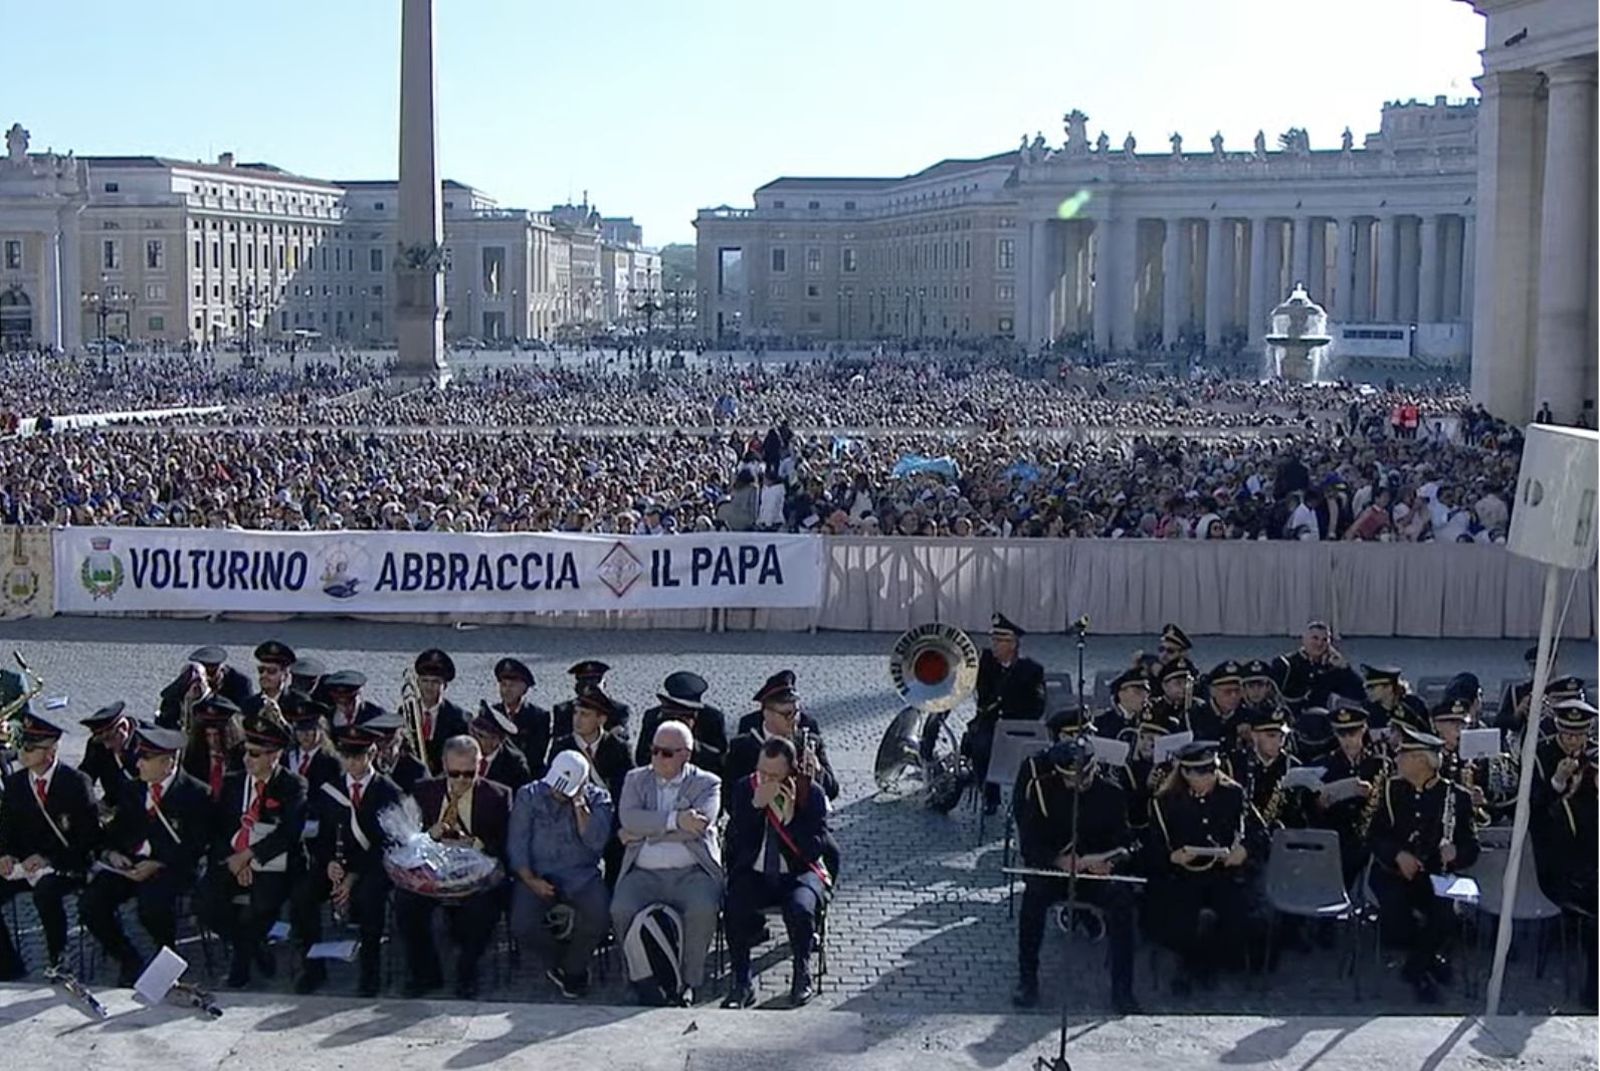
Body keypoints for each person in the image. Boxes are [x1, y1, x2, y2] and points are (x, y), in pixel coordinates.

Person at [1010, 735, 1138, 1013]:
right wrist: (1058, 859)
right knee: (1033, 898)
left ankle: (1123, 990)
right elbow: (1030, 844)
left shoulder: (1112, 793)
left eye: (1085, 775)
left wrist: (1110, 862)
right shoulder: (1043, 791)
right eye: (1071, 779)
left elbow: (1126, 842)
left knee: (1122, 902)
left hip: (1095, 876)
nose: (1078, 784)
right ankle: (1027, 980)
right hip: (1055, 872)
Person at [80, 725, 212, 986]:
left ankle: (167, 958)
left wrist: (159, 863)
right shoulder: (133, 790)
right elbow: (116, 831)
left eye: (145, 759)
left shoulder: (195, 793)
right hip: (133, 865)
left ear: (167, 763)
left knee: (151, 907)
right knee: (91, 903)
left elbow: (198, 844)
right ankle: (128, 958)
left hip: (172, 866)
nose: (138, 764)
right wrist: (113, 854)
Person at [1142, 740, 1268, 995]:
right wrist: (1172, 857)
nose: (1209, 777)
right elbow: (1152, 847)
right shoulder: (1165, 802)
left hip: (1222, 871)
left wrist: (1243, 850)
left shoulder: (1232, 793)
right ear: (1186, 773)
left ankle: (1216, 962)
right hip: (1181, 874)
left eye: (1212, 769)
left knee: (1237, 910)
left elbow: (1260, 832)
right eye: (1201, 772)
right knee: (1180, 913)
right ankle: (1187, 967)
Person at [610, 721, 723, 1006]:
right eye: (654, 751)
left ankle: (689, 982)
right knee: (620, 908)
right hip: (644, 873)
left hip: (692, 873)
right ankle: (635, 979)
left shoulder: (708, 784)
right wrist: (675, 820)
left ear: (686, 754)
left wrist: (648, 833)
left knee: (703, 909)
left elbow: (699, 826)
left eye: (666, 753)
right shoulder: (635, 779)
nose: (658, 758)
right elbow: (629, 819)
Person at [290, 721, 404, 997]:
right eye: (347, 756)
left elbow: (390, 844)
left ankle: (370, 972)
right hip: (336, 864)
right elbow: (319, 835)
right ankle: (313, 969)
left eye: (359, 756)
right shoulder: (331, 790)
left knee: (369, 900)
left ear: (372, 753)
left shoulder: (389, 792)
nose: (352, 763)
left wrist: (353, 877)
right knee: (303, 896)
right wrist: (328, 862)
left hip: (372, 867)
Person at [1366, 723, 1479, 1002]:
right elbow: (1373, 835)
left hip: (1436, 875)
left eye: (1404, 755)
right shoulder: (1391, 790)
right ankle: (1428, 961)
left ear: (1422, 761)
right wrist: (1397, 854)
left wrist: (1457, 853)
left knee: (1447, 912)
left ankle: (1416, 969)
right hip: (1393, 873)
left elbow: (1472, 847)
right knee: (1394, 911)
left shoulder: (1457, 796)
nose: (1397, 760)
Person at [395, 735, 512, 999]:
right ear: (444, 767)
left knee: (482, 910)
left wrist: (476, 844)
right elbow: (406, 838)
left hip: (476, 878)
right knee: (406, 904)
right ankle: (425, 973)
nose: (461, 781)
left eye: (469, 774)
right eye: (454, 774)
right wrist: (427, 837)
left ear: (479, 767)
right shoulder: (424, 791)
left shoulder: (497, 796)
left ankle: (466, 972)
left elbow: (504, 847)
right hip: (431, 874)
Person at [722, 737, 832, 1009]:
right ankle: (742, 982)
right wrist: (754, 809)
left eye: (774, 775)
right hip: (756, 871)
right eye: (763, 772)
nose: (767, 780)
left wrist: (790, 819)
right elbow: (736, 842)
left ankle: (801, 974)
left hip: (798, 874)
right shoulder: (745, 789)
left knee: (801, 909)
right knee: (734, 904)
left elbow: (814, 850)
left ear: (790, 773)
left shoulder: (811, 794)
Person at [199, 715, 306, 988]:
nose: (248, 759)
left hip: (274, 861)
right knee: (206, 903)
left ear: (275, 756)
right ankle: (254, 948)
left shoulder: (291, 786)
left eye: (256, 754)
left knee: (258, 908)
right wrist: (233, 861)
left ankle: (241, 965)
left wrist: (249, 857)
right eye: (247, 751)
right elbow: (220, 828)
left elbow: (288, 833)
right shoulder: (234, 783)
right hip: (234, 858)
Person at [508, 750, 614, 999]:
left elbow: (595, 841)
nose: (558, 793)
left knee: (599, 917)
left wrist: (579, 805)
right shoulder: (529, 795)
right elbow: (517, 842)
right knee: (522, 924)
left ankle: (574, 969)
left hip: (581, 875)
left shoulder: (600, 800)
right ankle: (556, 960)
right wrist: (530, 879)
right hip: (537, 873)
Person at [0, 713, 99, 978]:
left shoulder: (76, 783)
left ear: (51, 751)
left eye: (31, 748)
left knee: (46, 892)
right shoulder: (15, 784)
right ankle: (7, 966)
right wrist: (6, 854)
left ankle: (58, 959)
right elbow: (7, 830)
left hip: (65, 864)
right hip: (26, 864)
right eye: (22, 746)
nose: (23, 752)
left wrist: (48, 860)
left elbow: (88, 839)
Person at [1530, 700, 1598, 1007]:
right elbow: (1533, 811)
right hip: (1555, 862)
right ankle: (1593, 990)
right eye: (1568, 734)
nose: (1574, 741)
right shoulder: (1540, 755)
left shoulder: (1595, 756)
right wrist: (1557, 782)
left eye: (1580, 735)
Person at [965, 613, 1047, 814]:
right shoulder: (984, 664)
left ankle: (1024, 794)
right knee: (980, 746)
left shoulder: (1031, 669)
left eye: (1000, 641)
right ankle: (990, 796)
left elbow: (1038, 706)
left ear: (1013, 644)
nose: (995, 645)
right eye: (994, 640)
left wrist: (1014, 721)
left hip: (1018, 726)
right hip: (991, 723)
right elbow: (983, 696)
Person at [727, 672, 839, 802]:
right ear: (767, 714)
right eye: (787, 714)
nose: (795, 720)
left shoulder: (810, 742)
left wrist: (819, 771)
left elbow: (833, 791)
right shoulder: (743, 747)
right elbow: (730, 798)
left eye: (797, 712)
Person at [1312, 701, 1390, 887]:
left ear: (1364, 730)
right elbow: (1310, 811)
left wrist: (1372, 796)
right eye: (1342, 734)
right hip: (1335, 838)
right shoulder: (1323, 765)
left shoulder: (1379, 764)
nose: (1348, 739)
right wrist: (1320, 803)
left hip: (1370, 838)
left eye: (1353, 733)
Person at [635, 671, 729, 777]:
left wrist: (689, 742)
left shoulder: (712, 717)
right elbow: (641, 758)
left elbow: (721, 759)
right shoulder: (654, 716)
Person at [156, 645, 254, 730]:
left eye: (211, 673)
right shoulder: (191, 681)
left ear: (221, 668)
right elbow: (167, 709)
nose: (206, 678)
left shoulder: (240, 682)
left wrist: (209, 696)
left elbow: (245, 714)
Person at [1276, 622, 1362, 712]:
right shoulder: (1286, 664)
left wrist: (1345, 668)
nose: (1319, 643)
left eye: (1325, 640)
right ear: (1304, 639)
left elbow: (1359, 694)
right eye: (1315, 638)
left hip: (1320, 719)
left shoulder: (1331, 667)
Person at [493, 657, 552, 777]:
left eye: (512, 686)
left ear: (524, 689)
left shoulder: (538, 717)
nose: (506, 690)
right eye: (503, 685)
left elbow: (535, 757)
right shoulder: (492, 713)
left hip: (526, 776)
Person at [413, 648, 471, 772]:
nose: (429, 687)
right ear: (418, 683)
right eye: (425, 681)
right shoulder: (407, 711)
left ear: (445, 686)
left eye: (435, 682)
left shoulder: (458, 718)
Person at [77, 701, 139, 808]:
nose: (107, 746)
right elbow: (86, 775)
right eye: (102, 741)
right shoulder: (97, 746)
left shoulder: (144, 743)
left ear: (123, 728)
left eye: (109, 739)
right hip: (112, 802)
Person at [183, 695, 244, 801]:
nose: (213, 741)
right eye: (208, 735)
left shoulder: (243, 758)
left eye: (217, 735)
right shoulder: (193, 757)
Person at [552, 660, 632, 741]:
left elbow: (623, 740)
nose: (591, 690)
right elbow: (558, 743)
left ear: (604, 685)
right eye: (585, 684)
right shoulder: (564, 710)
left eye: (595, 684)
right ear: (577, 688)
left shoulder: (617, 710)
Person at [468, 705, 534, 792]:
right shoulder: (462, 748)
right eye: (472, 731)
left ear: (496, 740)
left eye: (480, 735)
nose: (472, 738)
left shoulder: (514, 766)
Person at [283, 703, 341, 791]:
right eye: (300, 729)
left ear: (320, 729)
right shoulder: (286, 758)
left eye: (309, 729)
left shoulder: (331, 762)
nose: (305, 734)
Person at [1362, 664, 1429, 734]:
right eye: (1368, 688)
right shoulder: (1367, 710)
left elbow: (1428, 735)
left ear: (1388, 687)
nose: (1369, 691)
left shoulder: (1414, 706)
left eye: (1373, 687)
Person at [241, 639, 297, 721]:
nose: (264, 675)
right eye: (261, 670)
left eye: (271, 671)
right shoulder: (249, 704)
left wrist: (281, 720)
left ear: (285, 675)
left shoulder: (297, 703)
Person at [1094, 669, 1150, 745]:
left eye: (1146, 692)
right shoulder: (1102, 723)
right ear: (1121, 694)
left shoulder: (1148, 722)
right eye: (1138, 692)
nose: (1144, 696)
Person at [322, 670, 386, 728]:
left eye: (346, 693)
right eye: (336, 694)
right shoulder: (328, 715)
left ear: (357, 692)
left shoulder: (375, 715)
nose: (342, 698)